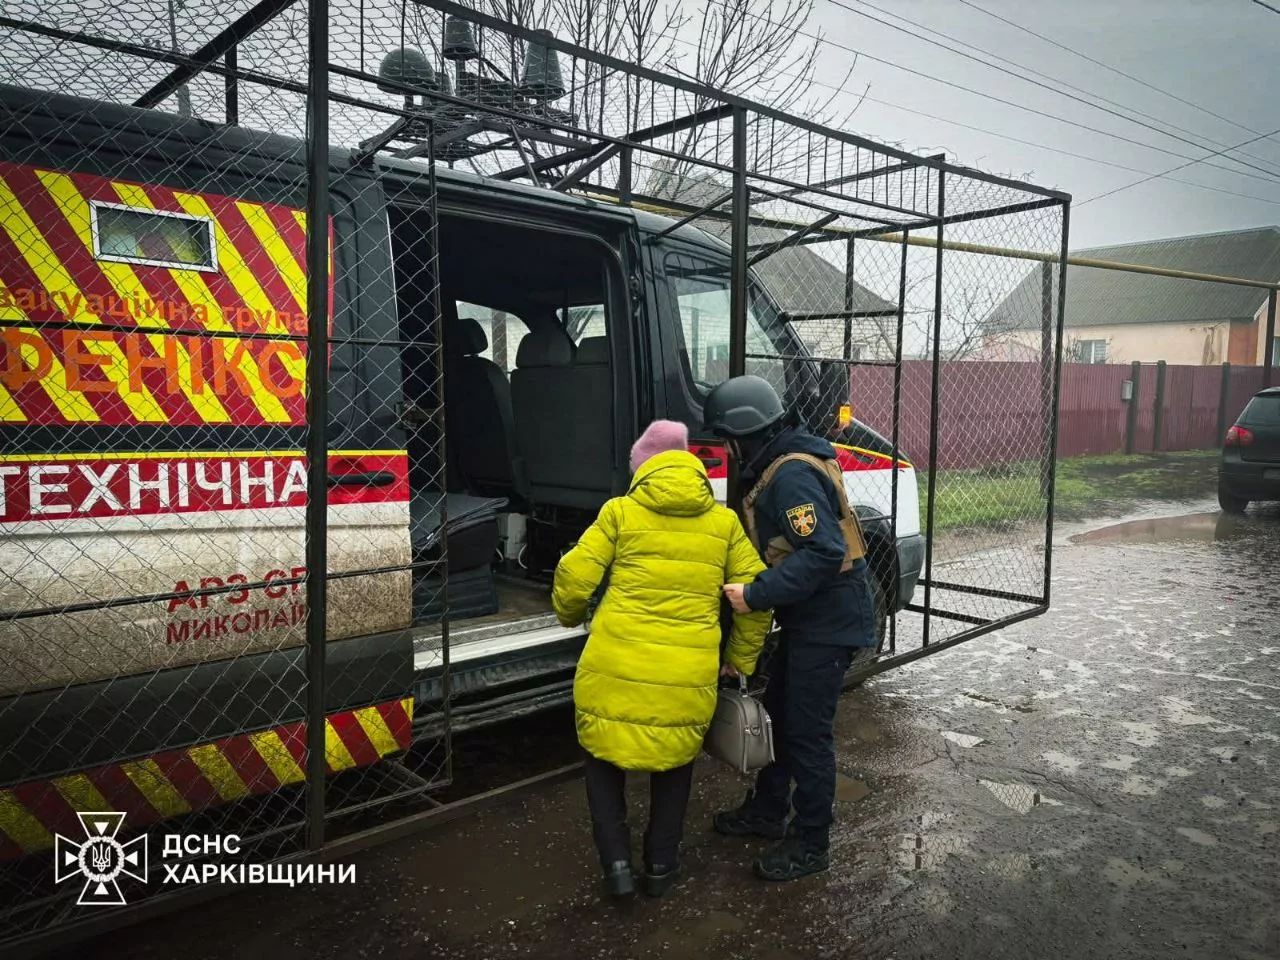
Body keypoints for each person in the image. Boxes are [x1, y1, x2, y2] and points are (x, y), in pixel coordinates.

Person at [552, 419, 773, 899]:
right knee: (673, 764)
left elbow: (573, 577)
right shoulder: (724, 522)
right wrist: (738, 658)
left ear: (643, 468)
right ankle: (660, 865)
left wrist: (570, 616)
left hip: (613, 667)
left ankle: (616, 867)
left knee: (603, 760)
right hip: (686, 674)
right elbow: (756, 597)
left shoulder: (620, 513)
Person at [702, 375, 877, 882]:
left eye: (728, 440)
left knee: (807, 736)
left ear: (742, 434)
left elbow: (825, 552)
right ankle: (767, 809)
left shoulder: (790, 478)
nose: (729, 451)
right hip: (812, 619)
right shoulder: (785, 463)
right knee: (780, 714)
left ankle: (811, 840)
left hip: (830, 623)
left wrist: (755, 594)